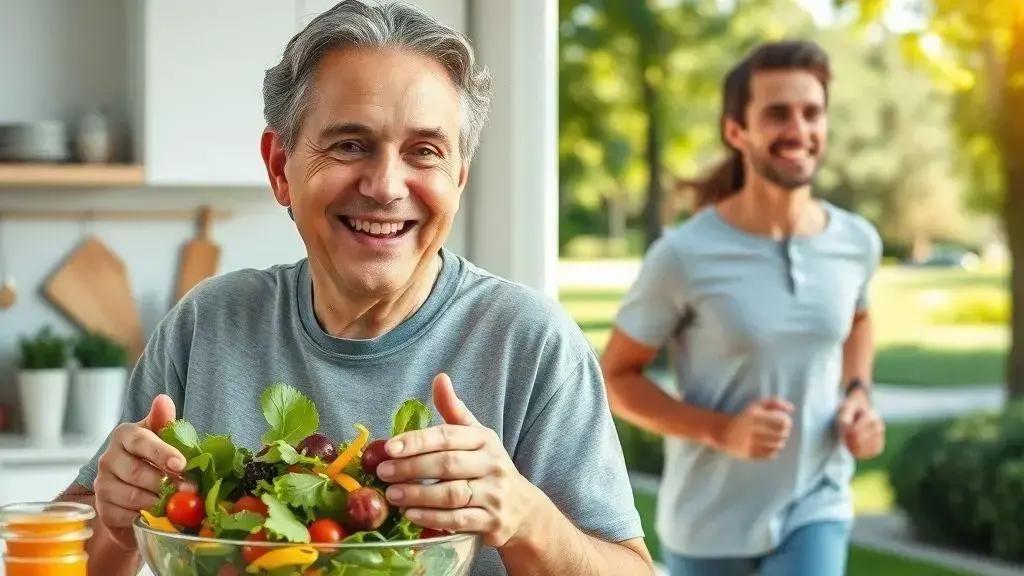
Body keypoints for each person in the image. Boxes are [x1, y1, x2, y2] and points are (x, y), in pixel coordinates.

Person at [56, 2, 652, 575]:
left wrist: (527, 519)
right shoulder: (207, 324)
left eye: (425, 151)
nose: (386, 185)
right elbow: (70, 553)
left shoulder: (531, 343)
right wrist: (112, 524)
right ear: (279, 166)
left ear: (459, 179)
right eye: (349, 145)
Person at [600, 40, 884, 576]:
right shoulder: (684, 255)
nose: (799, 130)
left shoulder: (856, 241)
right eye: (777, 114)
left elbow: (859, 318)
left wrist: (858, 394)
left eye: (811, 112)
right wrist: (720, 430)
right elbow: (615, 377)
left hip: (815, 501)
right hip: (711, 520)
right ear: (737, 131)